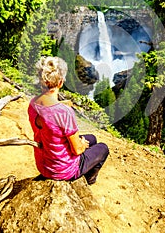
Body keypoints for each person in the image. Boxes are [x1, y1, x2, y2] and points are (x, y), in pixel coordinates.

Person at [28, 56, 109, 185]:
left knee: (92, 138)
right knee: (103, 148)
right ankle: (89, 180)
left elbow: (49, 115)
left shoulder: (33, 103)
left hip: (44, 165)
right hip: (62, 170)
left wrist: (61, 104)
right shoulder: (64, 112)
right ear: (60, 82)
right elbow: (77, 150)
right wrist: (82, 144)